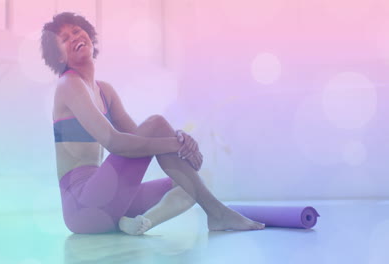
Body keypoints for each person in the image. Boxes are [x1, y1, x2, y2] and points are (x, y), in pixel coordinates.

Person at [41, 12, 265, 235]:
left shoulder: (104, 91)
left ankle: (140, 223)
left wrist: (177, 138)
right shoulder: (68, 84)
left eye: (77, 31)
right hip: (83, 208)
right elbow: (116, 143)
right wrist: (176, 145)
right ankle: (217, 213)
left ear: (89, 35)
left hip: (110, 204)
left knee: (190, 185)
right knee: (157, 124)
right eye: (64, 38)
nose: (74, 37)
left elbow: (141, 140)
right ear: (59, 57)